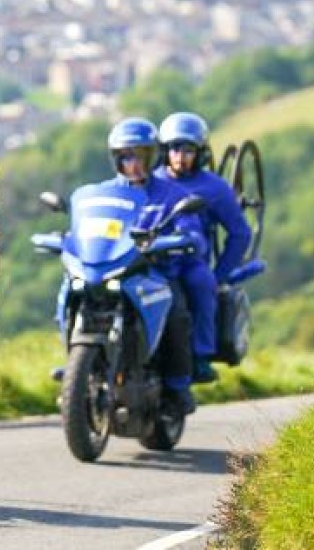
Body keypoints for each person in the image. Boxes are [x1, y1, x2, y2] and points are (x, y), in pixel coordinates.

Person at [104, 117, 204, 413]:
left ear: (153, 156)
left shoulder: (174, 194)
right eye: (125, 156)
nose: (132, 163)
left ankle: (178, 385)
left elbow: (193, 232)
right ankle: (82, 360)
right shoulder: (107, 192)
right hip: (115, 271)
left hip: (156, 272)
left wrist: (181, 240)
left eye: (140, 156)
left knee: (176, 314)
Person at [154, 111, 251, 384]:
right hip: (151, 258)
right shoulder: (150, 181)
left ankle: (200, 356)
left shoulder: (215, 188)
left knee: (202, 284)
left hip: (190, 261)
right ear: (164, 151)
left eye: (188, 150)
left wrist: (220, 274)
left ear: (201, 153)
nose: (180, 156)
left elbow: (240, 233)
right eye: (174, 149)